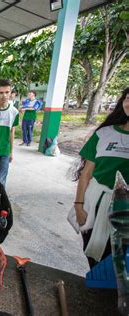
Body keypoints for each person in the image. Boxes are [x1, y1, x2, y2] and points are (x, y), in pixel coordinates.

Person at [73, 87, 129, 268]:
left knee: (115, 256)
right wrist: (79, 206)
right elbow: (86, 173)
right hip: (94, 202)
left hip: (124, 208)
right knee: (91, 247)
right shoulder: (104, 134)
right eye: (128, 98)